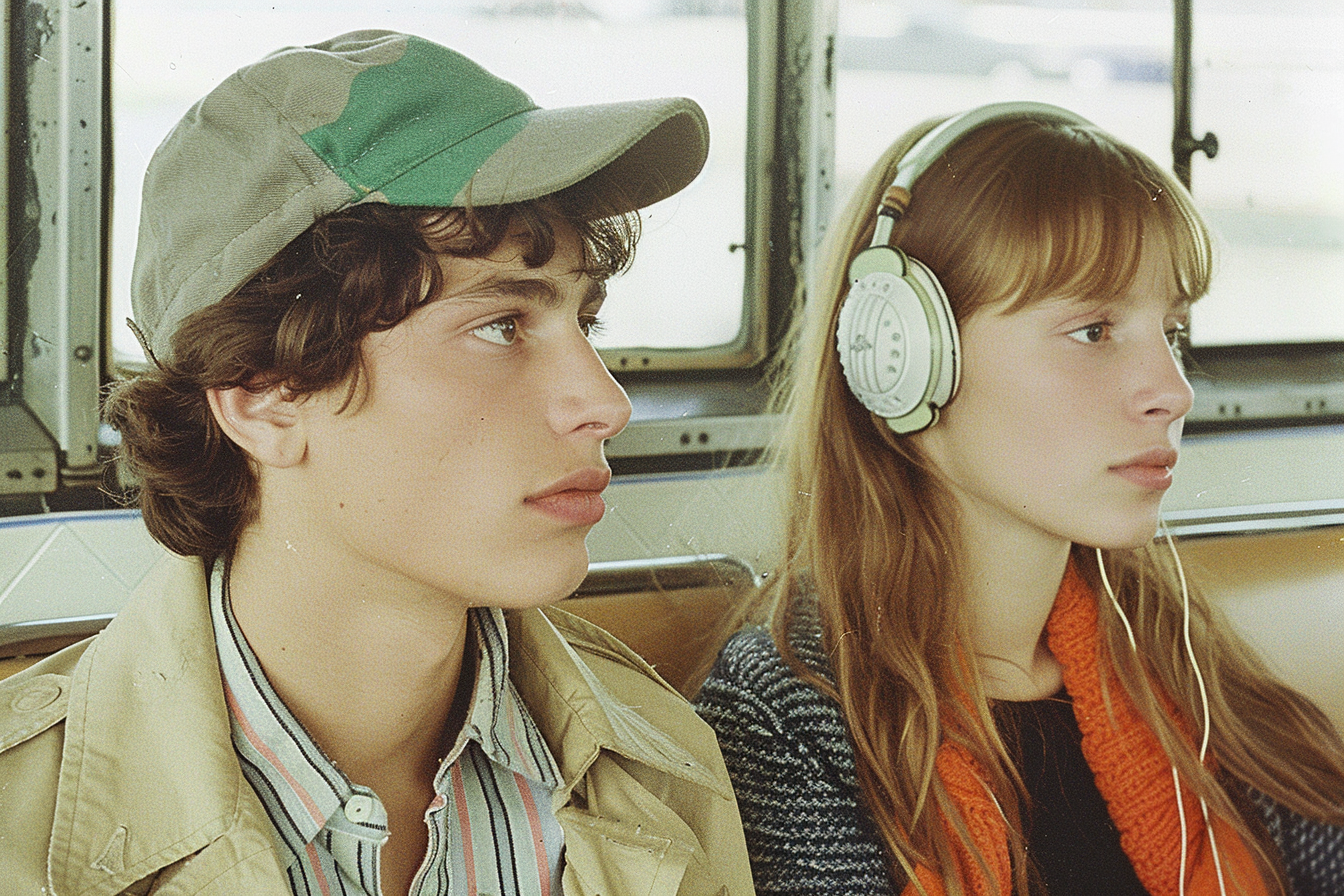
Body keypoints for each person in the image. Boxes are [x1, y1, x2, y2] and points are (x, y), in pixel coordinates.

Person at [0, 30, 755, 896]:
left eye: (586, 322)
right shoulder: (18, 818)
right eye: (501, 326)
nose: (606, 404)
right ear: (262, 396)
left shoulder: (665, 762)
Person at [694, 102, 1344, 896]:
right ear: (904, 362)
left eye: (1171, 332)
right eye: (1094, 331)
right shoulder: (790, 716)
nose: (1173, 392)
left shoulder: (1172, 658)